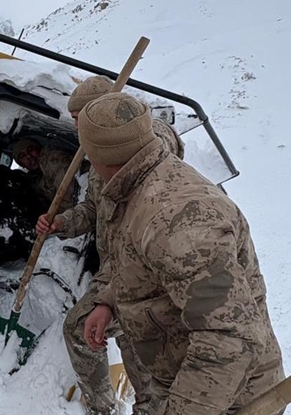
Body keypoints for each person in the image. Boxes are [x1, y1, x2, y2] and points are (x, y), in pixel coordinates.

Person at [76, 93, 284, 415]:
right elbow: (143, 268)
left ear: (97, 154)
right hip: (177, 376)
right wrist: (108, 300)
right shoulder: (139, 185)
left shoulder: (177, 220)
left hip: (227, 400)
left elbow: (229, 338)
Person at [38, 75, 184, 415]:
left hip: (142, 272)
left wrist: (112, 294)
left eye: (80, 119)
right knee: (131, 347)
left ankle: (104, 408)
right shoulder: (100, 156)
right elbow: (92, 209)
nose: (77, 127)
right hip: (116, 269)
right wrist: (62, 223)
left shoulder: (145, 144)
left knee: (84, 329)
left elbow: (160, 144)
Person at [11, 138, 77, 212]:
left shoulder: (53, 161)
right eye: (22, 156)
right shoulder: (35, 176)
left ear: (38, 148)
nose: (29, 156)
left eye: (30, 149)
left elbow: (70, 200)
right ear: (21, 164)